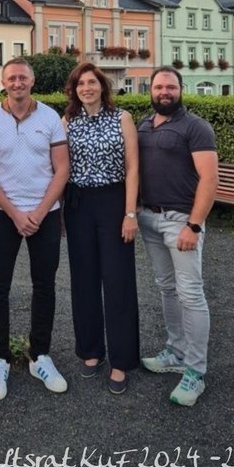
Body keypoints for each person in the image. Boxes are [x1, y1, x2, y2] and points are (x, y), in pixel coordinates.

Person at [0, 57, 70, 401]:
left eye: (23, 78)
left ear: (32, 82)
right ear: (4, 82)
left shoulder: (50, 117)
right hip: (4, 214)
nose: (17, 83)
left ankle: (39, 355)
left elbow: (62, 169)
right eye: (12, 78)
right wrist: (15, 213)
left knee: (44, 286)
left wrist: (40, 212)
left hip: (45, 214)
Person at [137, 66, 218, 407]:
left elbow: (210, 179)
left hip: (181, 221)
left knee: (191, 294)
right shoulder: (143, 125)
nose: (164, 92)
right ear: (151, 91)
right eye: (159, 87)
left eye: (170, 87)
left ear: (181, 89)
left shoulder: (195, 127)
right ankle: (176, 351)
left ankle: (195, 371)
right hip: (149, 218)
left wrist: (194, 226)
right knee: (166, 288)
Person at [62, 63, 140, 395]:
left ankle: (121, 360)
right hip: (78, 204)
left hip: (113, 202)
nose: (87, 88)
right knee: (84, 280)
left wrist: (130, 213)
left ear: (102, 86)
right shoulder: (67, 121)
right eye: (81, 83)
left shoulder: (122, 118)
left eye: (92, 82)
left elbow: (133, 168)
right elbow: (60, 168)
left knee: (118, 280)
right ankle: (91, 350)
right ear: (74, 90)